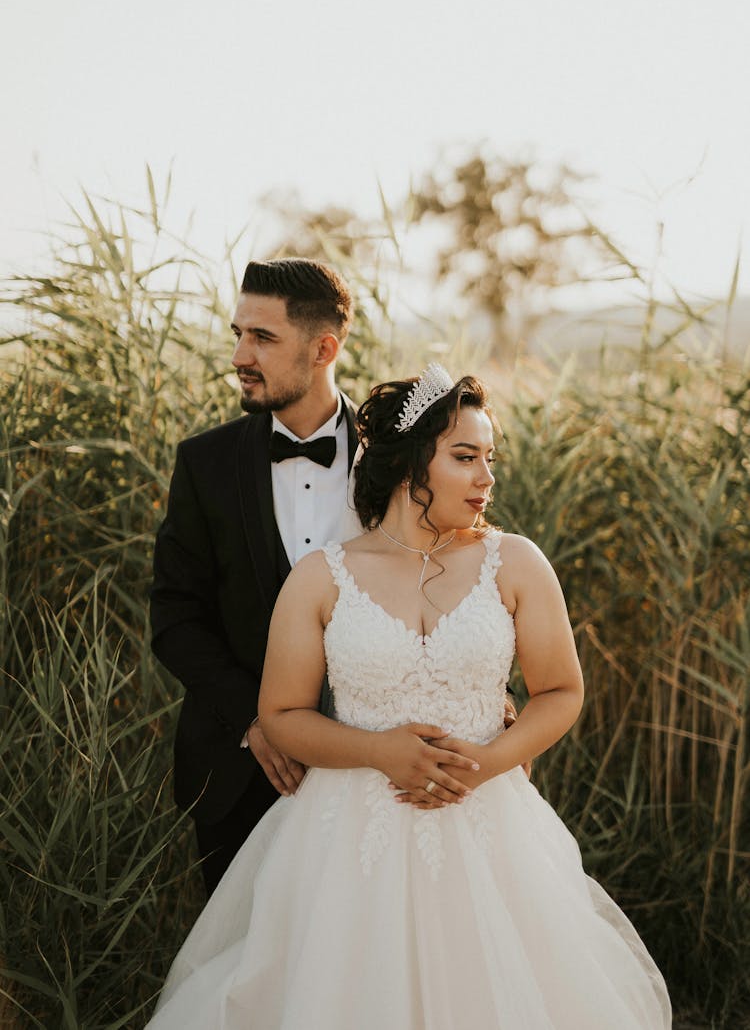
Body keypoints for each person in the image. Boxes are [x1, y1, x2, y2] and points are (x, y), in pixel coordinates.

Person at [146, 365, 672, 1029]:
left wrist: (487, 761)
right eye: (464, 457)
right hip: (347, 837)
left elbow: (561, 690)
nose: (487, 476)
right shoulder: (322, 578)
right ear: (406, 464)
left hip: (490, 825)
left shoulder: (517, 563)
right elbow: (281, 714)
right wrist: (377, 750)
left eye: (490, 458)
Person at [150, 258, 362, 895]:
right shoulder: (203, 463)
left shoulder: (399, 457)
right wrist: (254, 720)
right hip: (241, 772)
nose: (240, 354)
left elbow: (454, 577)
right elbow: (175, 618)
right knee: (241, 973)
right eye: (238, 333)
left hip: (372, 767)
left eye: (263, 338)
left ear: (324, 347)